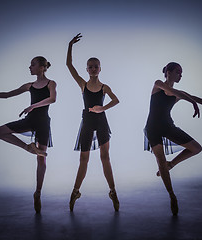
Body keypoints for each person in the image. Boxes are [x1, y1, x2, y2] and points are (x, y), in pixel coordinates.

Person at [0, 56, 57, 214]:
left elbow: (52, 99)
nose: (29, 67)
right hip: (29, 120)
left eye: (33, 65)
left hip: (43, 123)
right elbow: (7, 94)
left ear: (42, 67)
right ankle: (28, 147)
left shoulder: (51, 83)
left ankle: (37, 193)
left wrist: (33, 106)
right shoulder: (29, 85)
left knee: (41, 160)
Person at [144, 62, 202, 215]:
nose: (180, 75)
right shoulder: (158, 84)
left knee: (196, 148)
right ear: (168, 72)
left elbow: (199, 99)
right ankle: (172, 196)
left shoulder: (178, 93)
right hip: (153, 128)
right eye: (177, 72)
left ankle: (171, 164)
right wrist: (191, 102)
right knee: (160, 160)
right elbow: (180, 95)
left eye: (181, 73)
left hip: (168, 126)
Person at [66, 33, 120, 211]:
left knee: (105, 158)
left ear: (100, 69)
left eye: (96, 66)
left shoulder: (105, 87)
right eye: (90, 67)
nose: (93, 68)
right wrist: (70, 45)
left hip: (102, 121)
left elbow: (116, 100)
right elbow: (69, 65)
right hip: (87, 122)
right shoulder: (83, 84)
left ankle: (113, 191)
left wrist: (102, 108)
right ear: (87, 69)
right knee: (84, 158)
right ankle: (75, 192)